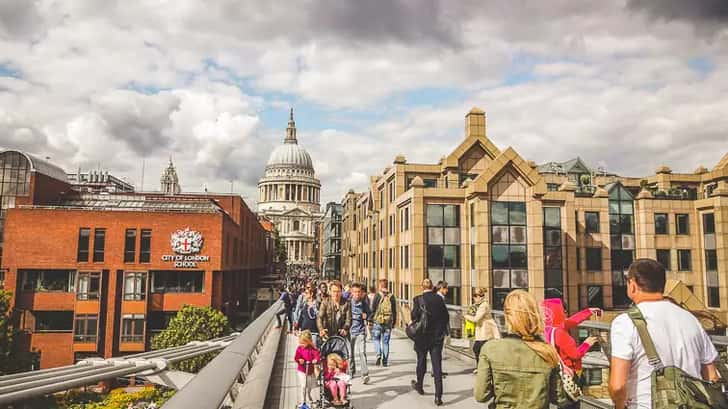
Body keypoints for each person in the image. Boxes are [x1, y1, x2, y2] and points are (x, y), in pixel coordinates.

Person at [608, 259, 720, 409]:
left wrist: (620, 406)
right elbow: (712, 376)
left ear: (633, 285)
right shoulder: (690, 319)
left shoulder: (625, 323)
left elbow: (617, 386)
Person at [474, 289, 568, 408]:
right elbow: (559, 398)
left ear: (507, 317)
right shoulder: (546, 350)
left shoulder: (491, 349)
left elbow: (481, 395)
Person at [541, 297, 601, 407]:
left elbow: (571, 322)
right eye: (563, 310)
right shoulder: (560, 333)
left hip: (554, 372)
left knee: (560, 402)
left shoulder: (545, 329)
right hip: (569, 374)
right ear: (558, 311)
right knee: (572, 403)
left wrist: (588, 312)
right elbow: (575, 354)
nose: (565, 313)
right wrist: (587, 343)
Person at [410, 278, 449, 406]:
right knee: (437, 366)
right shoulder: (439, 299)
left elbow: (414, 317)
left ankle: (420, 386)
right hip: (437, 338)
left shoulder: (418, 299)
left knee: (421, 361)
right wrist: (441, 332)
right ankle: (438, 396)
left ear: (422, 287)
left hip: (422, 337)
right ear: (432, 287)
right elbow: (446, 317)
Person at [463, 287, 500, 374]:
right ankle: (481, 367)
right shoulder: (480, 305)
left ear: (480, 296)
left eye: (475, 296)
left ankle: (484, 368)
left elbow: (476, 318)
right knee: (477, 349)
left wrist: (466, 316)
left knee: (478, 349)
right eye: (474, 296)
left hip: (485, 331)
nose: (474, 298)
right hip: (481, 330)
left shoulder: (484, 305)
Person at [371, 278, 397, 367]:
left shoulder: (377, 295)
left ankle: (378, 354)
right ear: (387, 285)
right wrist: (393, 323)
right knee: (385, 342)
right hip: (388, 322)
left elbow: (373, 308)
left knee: (376, 339)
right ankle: (385, 361)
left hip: (377, 321)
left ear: (380, 285)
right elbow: (394, 310)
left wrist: (370, 320)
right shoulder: (391, 296)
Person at [348, 282, 371, 384]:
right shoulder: (348, 303)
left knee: (362, 352)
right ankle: (351, 371)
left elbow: (370, 313)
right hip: (350, 331)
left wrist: (367, 316)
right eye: (355, 292)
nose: (357, 294)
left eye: (359, 292)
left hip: (361, 331)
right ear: (351, 293)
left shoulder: (364, 303)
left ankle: (365, 374)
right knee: (350, 354)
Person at [294, 330, 320, 408]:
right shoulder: (299, 348)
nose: (301, 345)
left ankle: (308, 394)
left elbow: (317, 355)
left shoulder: (312, 349)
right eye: (300, 343)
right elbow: (296, 357)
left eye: (303, 343)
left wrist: (316, 360)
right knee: (303, 385)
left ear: (308, 342)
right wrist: (299, 360)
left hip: (310, 370)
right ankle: (303, 401)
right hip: (302, 370)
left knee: (309, 386)